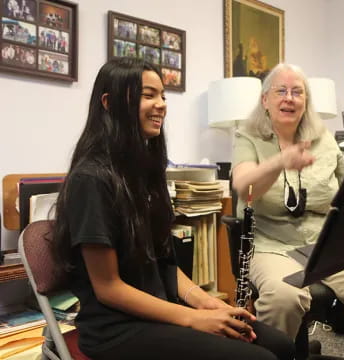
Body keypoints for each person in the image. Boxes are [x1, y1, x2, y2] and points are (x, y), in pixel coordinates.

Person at [52, 57, 295, 360]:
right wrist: (193, 319)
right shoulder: (90, 179)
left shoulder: (144, 174)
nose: (161, 104)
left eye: (163, 96)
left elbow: (164, 263)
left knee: (280, 345)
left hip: (158, 310)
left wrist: (205, 302)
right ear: (109, 102)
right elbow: (108, 288)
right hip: (115, 329)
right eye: (148, 94)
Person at [232, 63, 344, 360]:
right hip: (272, 246)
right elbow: (243, 185)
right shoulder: (248, 136)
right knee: (284, 296)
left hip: (326, 243)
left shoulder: (323, 139)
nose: (289, 98)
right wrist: (280, 162)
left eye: (297, 92)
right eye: (281, 91)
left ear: (306, 101)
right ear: (265, 100)